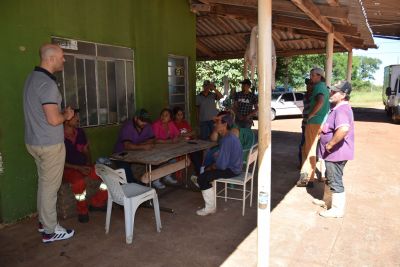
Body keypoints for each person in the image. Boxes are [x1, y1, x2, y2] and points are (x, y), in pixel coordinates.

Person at [23, 43, 75, 243]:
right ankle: (51, 230)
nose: (64, 59)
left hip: (34, 142)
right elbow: (54, 119)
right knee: (50, 188)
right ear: (51, 58)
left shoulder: (32, 78)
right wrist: (67, 114)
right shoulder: (48, 84)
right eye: (62, 56)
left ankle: (43, 222)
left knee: (44, 184)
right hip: (49, 145)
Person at [313, 81, 354, 218]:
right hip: (333, 153)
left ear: (343, 95)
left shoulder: (342, 110)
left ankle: (337, 210)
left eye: (334, 91)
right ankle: (327, 202)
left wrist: (330, 144)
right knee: (330, 178)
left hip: (336, 152)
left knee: (335, 180)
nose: (330, 93)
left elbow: (343, 129)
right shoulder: (337, 108)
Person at [192, 113, 243, 216]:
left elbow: (222, 166)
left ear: (225, 125)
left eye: (218, 122)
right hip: (234, 166)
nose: (215, 124)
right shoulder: (228, 136)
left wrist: (211, 167)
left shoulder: (227, 139)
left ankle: (210, 208)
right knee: (205, 167)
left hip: (232, 169)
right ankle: (202, 182)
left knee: (203, 176)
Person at [63, 111, 108, 223]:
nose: (78, 120)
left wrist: (89, 164)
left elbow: (85, 149)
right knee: (78, 183)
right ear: (67, 120)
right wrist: (78, 168)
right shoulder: (58, 137)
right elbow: (58, 162)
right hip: (68, 169)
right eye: (75, 118)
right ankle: (82, 211)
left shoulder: (80, 132)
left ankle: (97, 202)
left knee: (108, 175)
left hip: (83, 166)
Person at [297, 67, 330, 187]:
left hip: (314, 122)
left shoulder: (318, 87)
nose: (311, 77)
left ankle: (307, 179)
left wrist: (311, 114)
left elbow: (320, 101)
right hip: (320, 122)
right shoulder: (324, 87)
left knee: (309, 150)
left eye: (312, 75)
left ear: (319, 76)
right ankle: (309, 177)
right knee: (308, 149)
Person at [113, 108, 155, 184]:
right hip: (121, 154)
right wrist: (143, 146)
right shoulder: (128, 127)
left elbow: (152, 140)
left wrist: (140, 145)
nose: (144, 123)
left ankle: (143, 183)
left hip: (137, 152)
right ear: (136, 118)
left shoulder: (147, 126)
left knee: (153, 162)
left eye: (146, 121)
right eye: (142, 120)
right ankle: (133, 186)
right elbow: (127, 146)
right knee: (126, 171)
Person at [151, 108, 180, 188]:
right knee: (163, 161)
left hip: (166, 148)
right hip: (155, 149)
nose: (163, 117)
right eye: (162, 115)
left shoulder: (171, 124)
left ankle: (167, 176)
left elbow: (177, 133)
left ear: (170, 118)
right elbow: (155, 140)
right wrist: (171, 141)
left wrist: (176, 137)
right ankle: (156, 180)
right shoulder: (156, 124)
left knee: (173, 160)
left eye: (166, 115)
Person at [298, 77, 313, 167]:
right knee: (303, 144)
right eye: (307, 84)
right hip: (306, 123)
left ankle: (308, 163)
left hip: (312, 124)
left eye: (310, 84)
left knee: (311, 145)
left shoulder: (313, 95)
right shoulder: (307, 95)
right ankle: (302, 163)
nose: (308, 86)